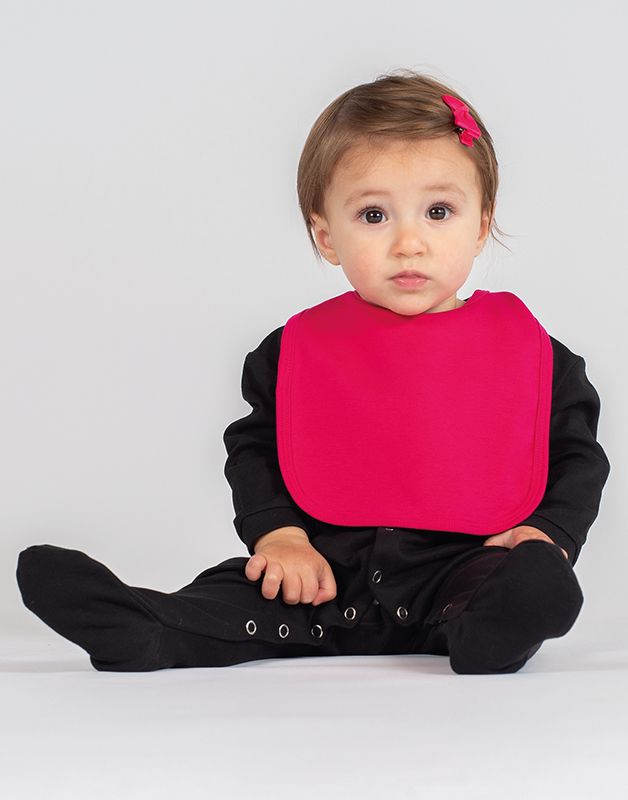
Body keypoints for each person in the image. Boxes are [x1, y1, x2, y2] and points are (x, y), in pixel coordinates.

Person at [16, 69, 611, 674]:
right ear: (326, 236)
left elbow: (577, 455)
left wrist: (548, 533)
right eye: (374, 215)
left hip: (457, 576)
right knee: (237, 591)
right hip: (323, 578)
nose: (409, 242)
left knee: (508, 584)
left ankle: (501, 628)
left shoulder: (534, 355)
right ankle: (151, 627)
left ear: (480, 224)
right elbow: (255, 448)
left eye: (438, 211)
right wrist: (279, 536)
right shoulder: (291, 352)